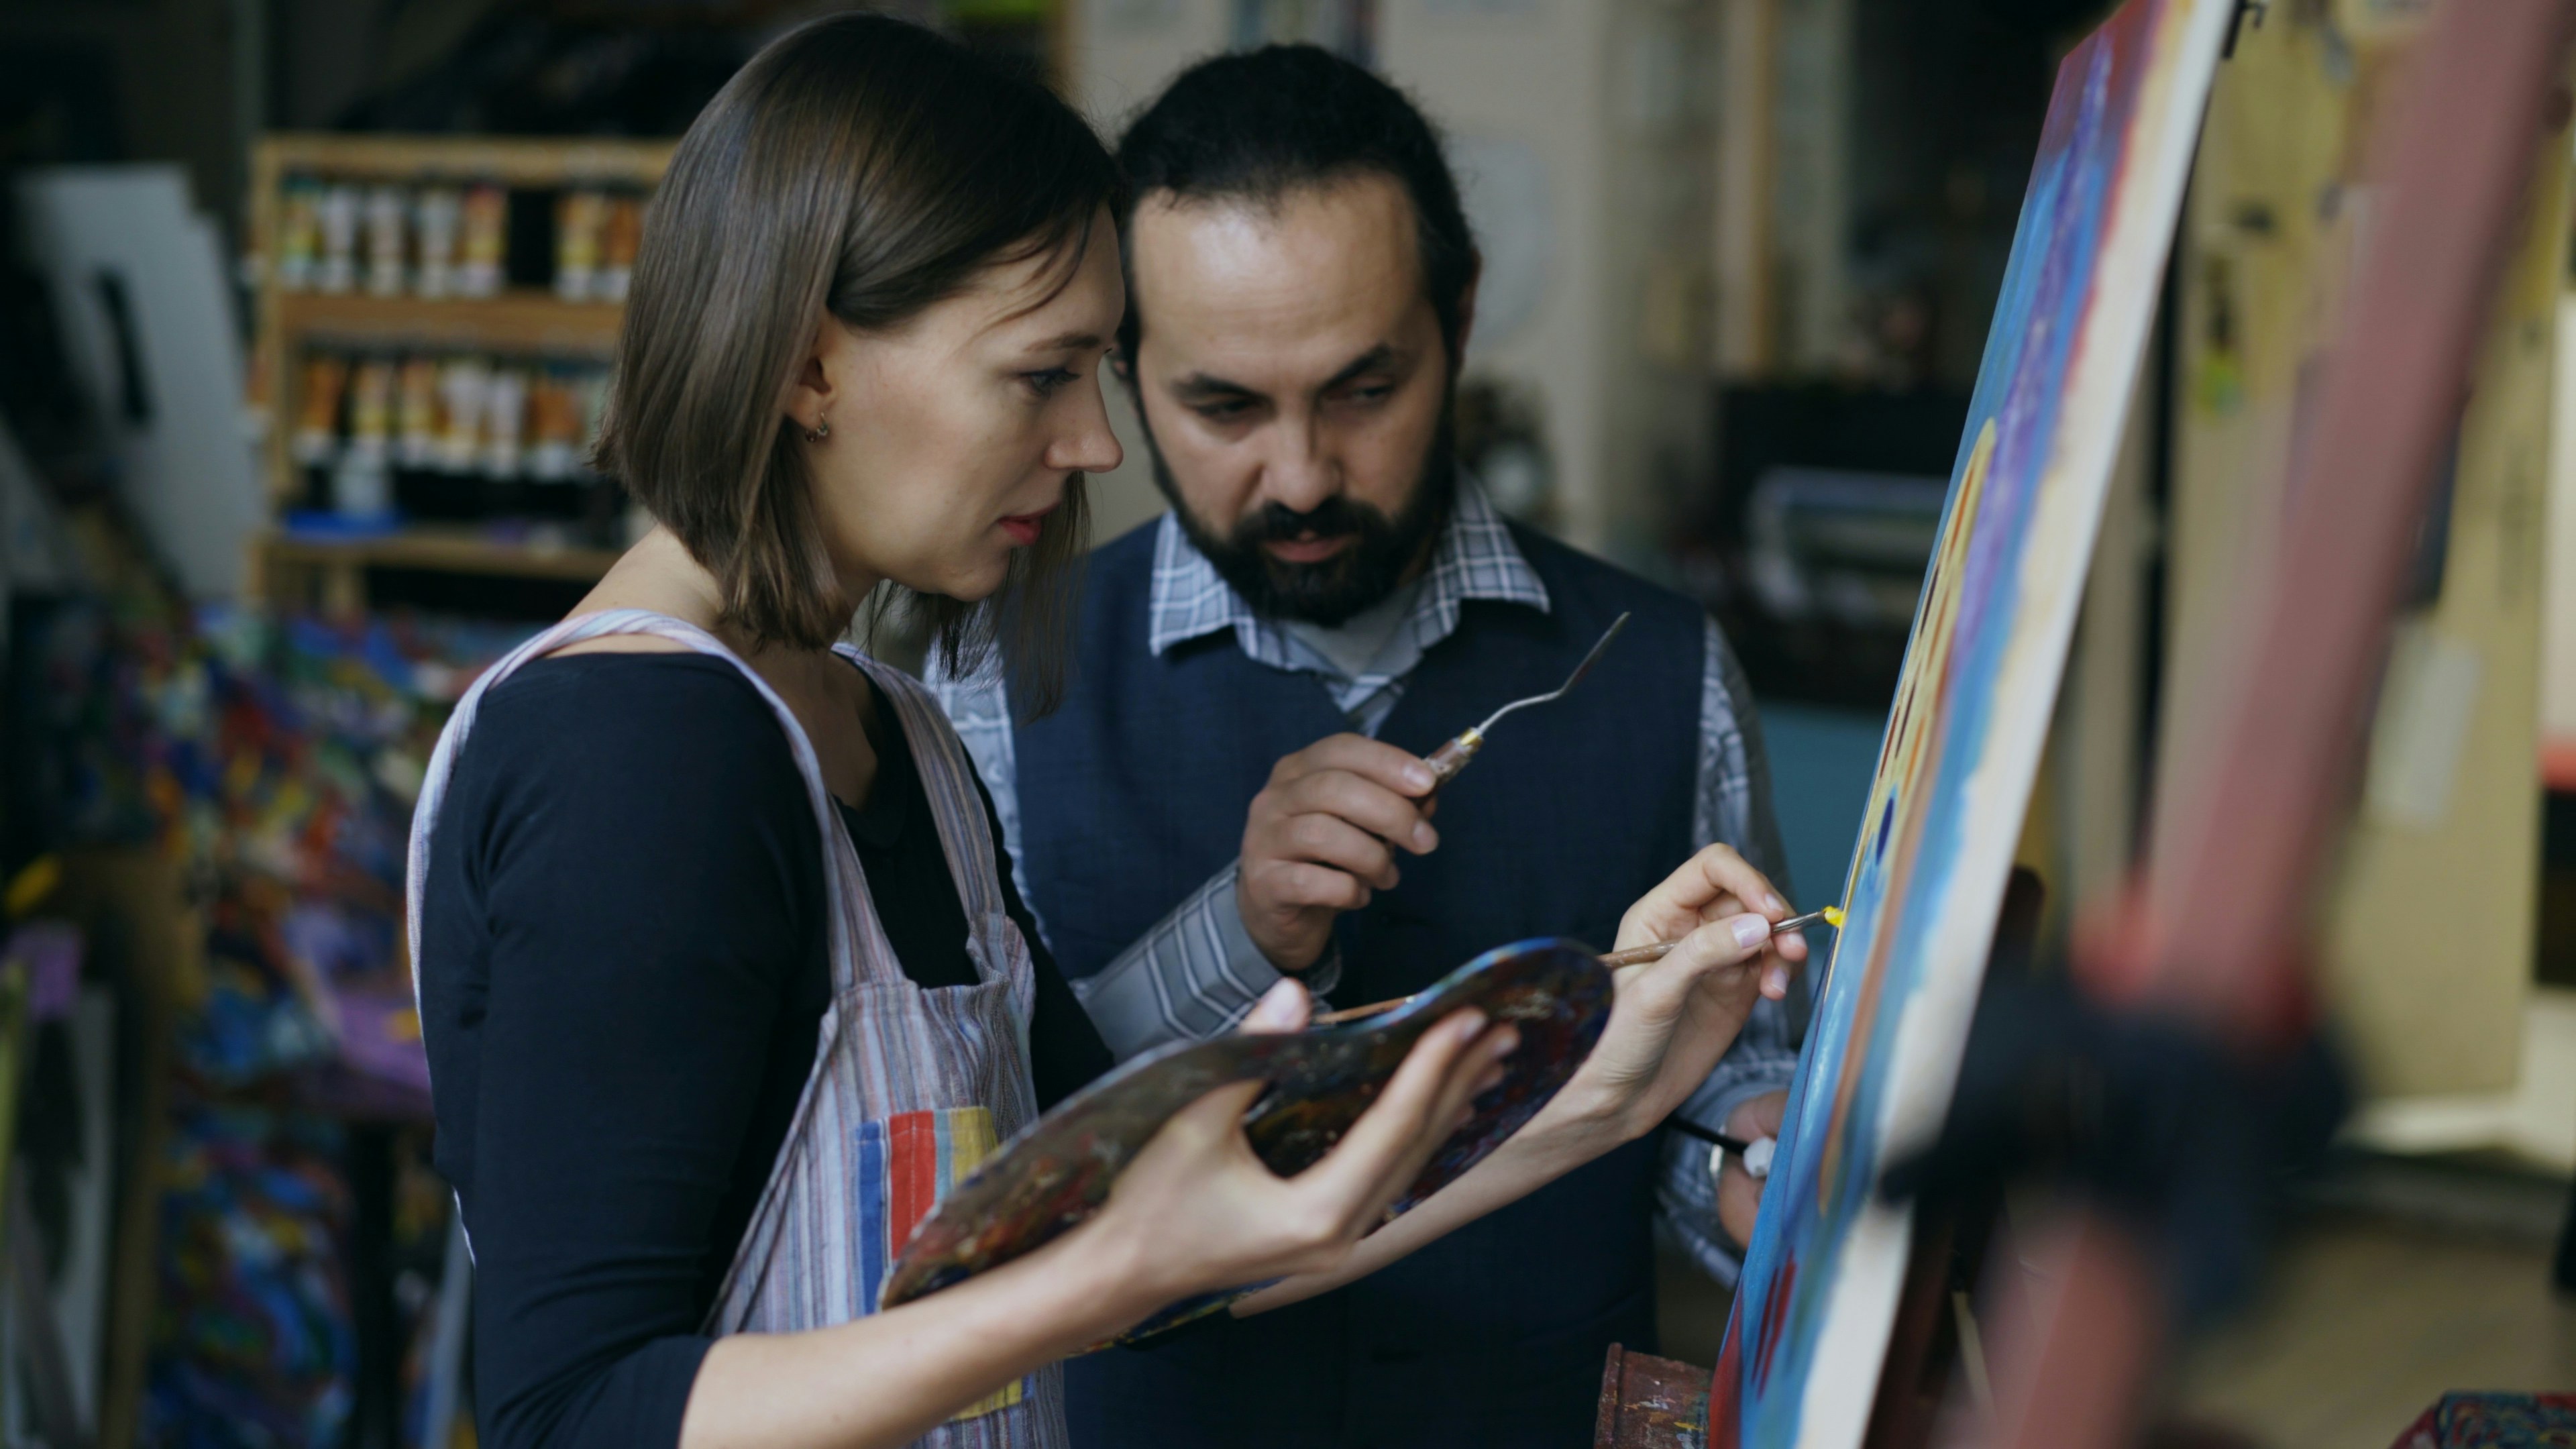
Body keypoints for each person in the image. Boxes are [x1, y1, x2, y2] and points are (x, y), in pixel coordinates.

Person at [411, 16, 1801, 1449]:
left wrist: (1606, 1092)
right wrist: (1107, 1277)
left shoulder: (897, 734)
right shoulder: (637, 750)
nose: (1092, 444)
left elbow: (1158, 1223)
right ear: (811, 369)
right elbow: (570, 1417)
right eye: (1044, 375)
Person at [930, 45, 1807, 1448]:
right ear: (1122, 371)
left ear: (1457, 321)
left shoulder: (1664, 667)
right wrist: (1241, 928)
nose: (1301, 477)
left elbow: (1726, 1075)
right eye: (1222, 407)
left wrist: (1756, 1169)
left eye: (1362, 390)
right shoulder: (987, 673)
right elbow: (982, 1159)